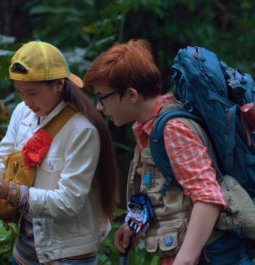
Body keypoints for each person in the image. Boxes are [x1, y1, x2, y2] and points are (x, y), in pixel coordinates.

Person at [83, 39, 254, 265]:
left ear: (131, 95)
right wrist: (133, 224)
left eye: (102, 97)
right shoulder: (148, 126)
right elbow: (166, 190)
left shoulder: (173, 129)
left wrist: (183, 261)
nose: (99, 107)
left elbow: (208, 199)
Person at [0, 40, 119, 265]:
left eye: (32, 93)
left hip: (67, 254)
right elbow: (4, 159)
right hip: (25, 247)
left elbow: (69, 201)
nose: (27, 101)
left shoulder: (82, 131)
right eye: (21, 93)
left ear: (59, 84)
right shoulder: (22, 112)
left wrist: (10, 192)